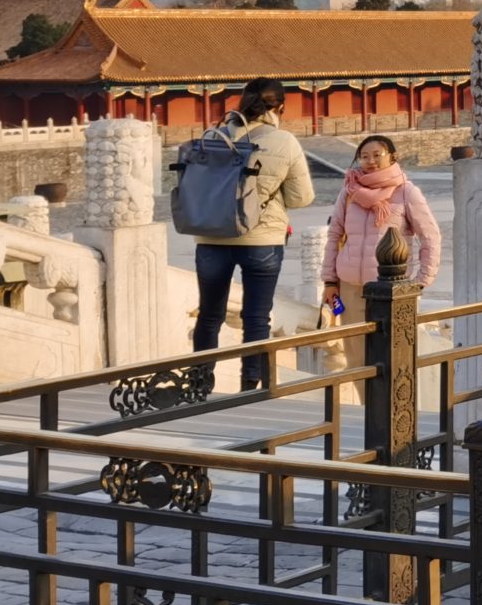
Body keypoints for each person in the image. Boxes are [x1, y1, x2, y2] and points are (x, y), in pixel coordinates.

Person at [187, 77, 314, 388]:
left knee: (209, 314)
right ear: (281, 106)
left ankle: (200, 384)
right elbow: (301, 197)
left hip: (212, 236)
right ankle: (251, 384)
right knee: (256, 318)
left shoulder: (211, 135)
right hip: (262, 239)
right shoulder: (283, 141)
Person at [321, 134, 443, 351]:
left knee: (390, 351)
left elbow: (430, 236)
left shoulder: (406, 192)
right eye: (364, 156)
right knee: (355, 352)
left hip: (391, 288)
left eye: (377, 155)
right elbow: (334, 236)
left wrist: (422, 280)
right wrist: (330, 282)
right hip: (351, 286)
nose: (371, 161)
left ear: (393, 157)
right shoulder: (349, 191)